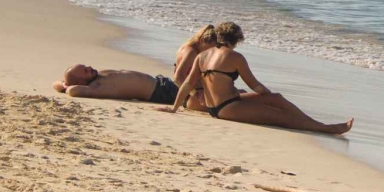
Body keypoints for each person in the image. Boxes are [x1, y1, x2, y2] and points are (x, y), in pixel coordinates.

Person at [169, 21, 352, 135]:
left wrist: (174, 108)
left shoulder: (202, 56)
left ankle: (318, 124)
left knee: (277, 99)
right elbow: (255, 86)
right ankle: (325, 128)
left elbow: (186, 84)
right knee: (282, 117)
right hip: (227, 108)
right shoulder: (235, 57)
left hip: (215, 107)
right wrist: (265, 95)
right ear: (236, 40)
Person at [54, 64, 180, 105]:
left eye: (86, 66)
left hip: (161, 81)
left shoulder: (97, 77)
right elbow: (73, 91)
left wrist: (63, 84)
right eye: (85, 71)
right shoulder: (97, 87)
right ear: (80, 82)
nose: (90, 67)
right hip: (161, 92)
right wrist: (66, 87)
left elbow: (56, 84)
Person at [173, 24, 218, 111]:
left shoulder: (190, 48)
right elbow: (178, 78)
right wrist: (196, 93)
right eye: (208, 48)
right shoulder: (191, 52)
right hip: (186, 96)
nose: (210, 52)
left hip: (188, 93)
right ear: (201, 40)